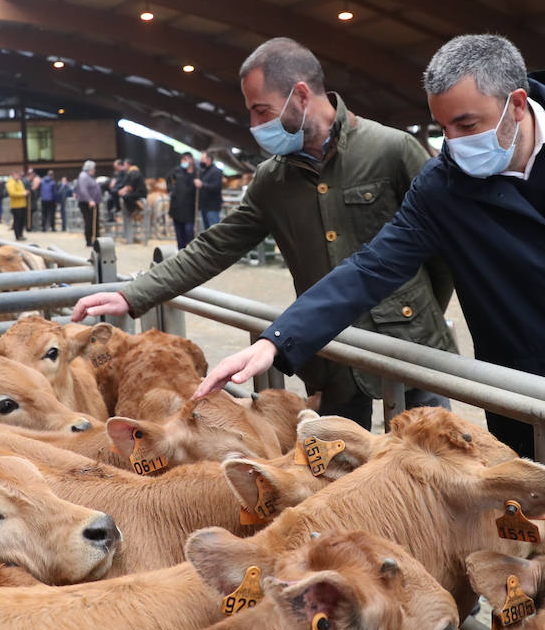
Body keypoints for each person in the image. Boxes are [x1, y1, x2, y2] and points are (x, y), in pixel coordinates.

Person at [191, 33, 545, 523]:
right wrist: (278, 340)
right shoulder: (444, 187)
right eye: (442, 128)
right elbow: (373, 266)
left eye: (466, 124)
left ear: (516, 103)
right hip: (533, 391)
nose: (453, 143)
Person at [72, 37, 458, 427]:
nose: (256, 126)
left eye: (262, 111)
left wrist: (421, 309)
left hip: (409, 343)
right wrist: (133, 294)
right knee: (339, 453)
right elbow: (215, 246)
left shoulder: (391, 150)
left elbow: (443, 248)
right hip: (330, 349)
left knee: (431, 447)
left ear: (301, 95)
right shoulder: (272, 180)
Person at [168, 154, 198, 249]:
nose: (184, 161)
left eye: (186, 159)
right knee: (179, 233)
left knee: (189, 231)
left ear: (191, 160)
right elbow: (168, 179)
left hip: (189, 207)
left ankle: (190, 250)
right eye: (183, 159)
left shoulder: (196, 173)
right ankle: (181, 251)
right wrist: (170, 190)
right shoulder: (177, 170)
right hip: (177, 206)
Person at [119, 162, 148, 242]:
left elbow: (130, 186)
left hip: (139, 193)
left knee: (126, 197)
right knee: (126, 196)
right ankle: (132, 210)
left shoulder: (133, 173)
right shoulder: (135, 173)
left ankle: (134, 209)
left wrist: (123, 191)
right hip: (139, 192)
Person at [76, 161, 101, 246]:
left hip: (93, 203)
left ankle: (96, 240)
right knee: (89, 222)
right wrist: (89, 200)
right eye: (94, 168)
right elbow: (83, 190)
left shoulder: (89, 176)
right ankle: (89, 240)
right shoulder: (83, 176)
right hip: (87, 203)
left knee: (94, 222)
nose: (95, 170)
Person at [196, 153, 223, 230]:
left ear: (209, 160)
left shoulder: (216, 171)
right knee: (207, 229)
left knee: (213, 229)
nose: (201, 161)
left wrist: (202, 185)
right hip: (204, 206)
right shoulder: (203, 171)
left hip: (212, 206)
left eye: (202, 159)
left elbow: (217, 187)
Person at [6, 171, 28, 240]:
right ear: (13, 175)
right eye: (17, 175)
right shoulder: (10, 183)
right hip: (16, 205)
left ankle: (21, 234)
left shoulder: (20, 182)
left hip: (23, 204)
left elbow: (22, 190)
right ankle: (17, 236)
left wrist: (25, 192)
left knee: (22, 221)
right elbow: (12, 193)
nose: (18, 176)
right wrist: (22, 193)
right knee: (17, 221)